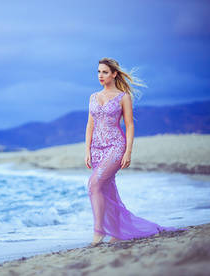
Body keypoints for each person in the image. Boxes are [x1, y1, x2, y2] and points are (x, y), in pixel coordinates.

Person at [84, 57, 186, 247]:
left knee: (94, 184)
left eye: (105, 72)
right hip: (96, 149)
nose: (100, 75)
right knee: (106, 189)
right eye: (98, 72)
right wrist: (87, 151)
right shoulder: (92, 97)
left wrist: (128, 152)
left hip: (115, 147)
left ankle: (99, 232)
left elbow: (129, 125)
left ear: (114, 74)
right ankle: (116, 232)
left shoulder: (123, 97)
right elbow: (90, 125)